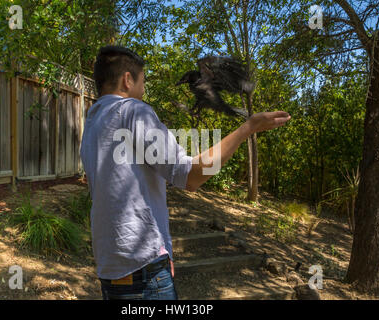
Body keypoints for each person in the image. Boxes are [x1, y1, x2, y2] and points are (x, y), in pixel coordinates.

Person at [80, 45, 291, 300]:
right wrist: (247, 128)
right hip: (144, 273)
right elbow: (191, 176)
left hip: (110, 269)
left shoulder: (93, 121)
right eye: (143, 82)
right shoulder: (134, 111)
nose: (144, 89)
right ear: (127, 80)